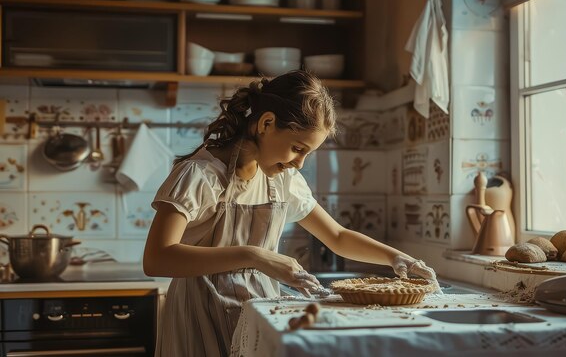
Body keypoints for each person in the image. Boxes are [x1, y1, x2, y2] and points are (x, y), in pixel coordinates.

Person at [143, 70, 440, 357]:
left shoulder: (281, 181)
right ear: (266, 123)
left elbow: (336, 236)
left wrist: (398, 258)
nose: (300, 163)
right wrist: (254, 255)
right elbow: (157, 258)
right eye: (298, 148)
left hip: (259, 313)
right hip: (198, 316)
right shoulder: (200, 175)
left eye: (307, 153)